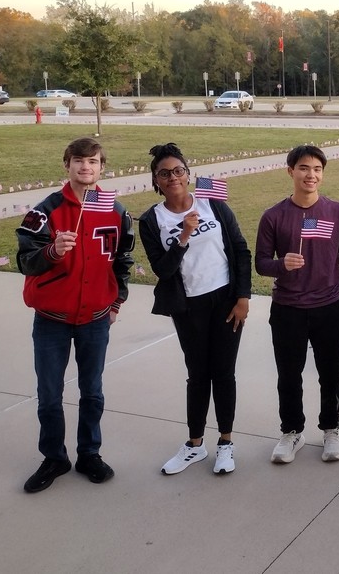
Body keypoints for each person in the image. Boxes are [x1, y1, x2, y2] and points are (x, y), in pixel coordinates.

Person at [16, 137, 135, 493]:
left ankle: (89, 453)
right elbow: (25, 261)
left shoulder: (115, 212)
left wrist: (116, 302)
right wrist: (51, 251)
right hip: (52, 318)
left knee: (92, 391)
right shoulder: (45, 212)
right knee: (49, 394)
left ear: (102, 167)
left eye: (93, 162)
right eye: (79, 161)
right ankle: (54, 457)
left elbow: (123, 261)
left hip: (96, 319)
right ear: (67, 164)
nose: (86, 167)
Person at [139, 144, 252, 476]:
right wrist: (184, 234)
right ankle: (195, 445)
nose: (173, 177)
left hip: (226, 301)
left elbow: (241, 250)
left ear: (188, 174)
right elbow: (163, 269)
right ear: (156, 181)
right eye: (165, 173)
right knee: (198, 375)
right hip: (189, 307)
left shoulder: (212, 204)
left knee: (224, 373)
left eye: (178, 171)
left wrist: (242, 297)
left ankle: (226, 444)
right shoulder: (152, 220)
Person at [255, 145, 339, 464]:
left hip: (329, 307)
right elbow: (260, 262)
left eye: (316, 169)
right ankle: (291, 432)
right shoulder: (274, 216)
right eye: (303, 168)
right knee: (289, 374)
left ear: (322, 174)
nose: (310, 175)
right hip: (288, 309)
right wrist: (281, 264)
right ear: (290, 171)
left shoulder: (337, 212)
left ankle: (331, 429)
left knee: (330, 374)